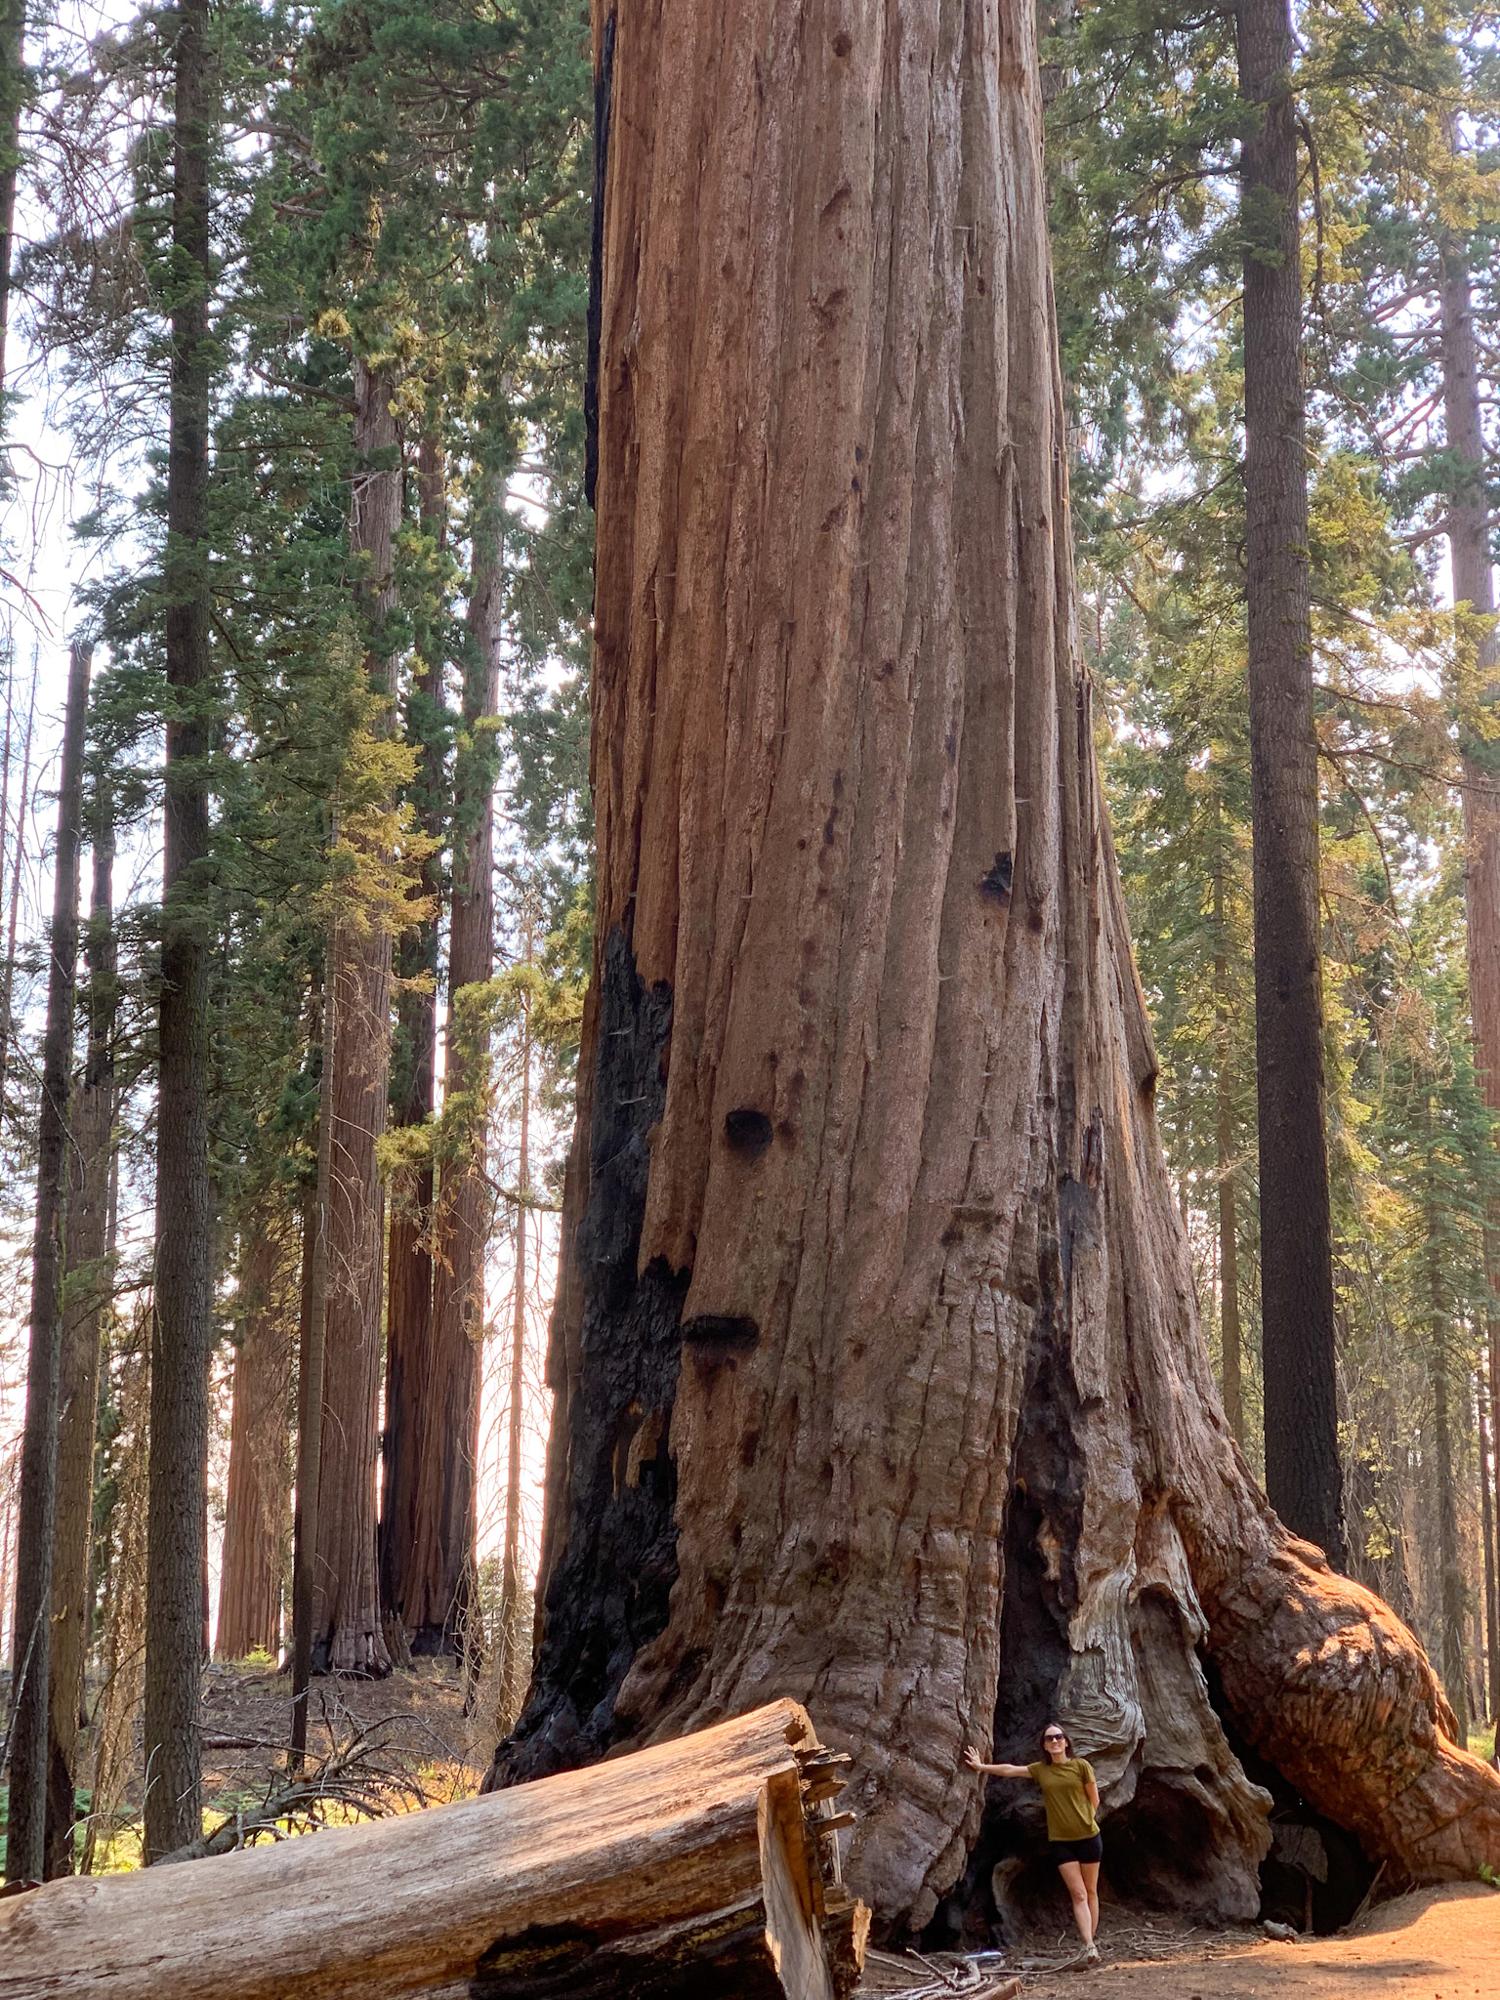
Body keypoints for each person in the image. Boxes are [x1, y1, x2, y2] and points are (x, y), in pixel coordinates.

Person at [964, 1724, 1102, 1965]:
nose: (1055, 1741)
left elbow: (1094, 1798)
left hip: (1089, 1837)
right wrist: (981, 1767)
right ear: (1045, 1746)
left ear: (1066, 1742)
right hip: (1062, 1842)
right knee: (1078, 1893)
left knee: (1090, 1892)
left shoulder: (1082, 1766)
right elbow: (1010, 1770)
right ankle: (1089, 1945)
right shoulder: (1041, 1770)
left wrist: (1084, 1820)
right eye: (1049, 1739)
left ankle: (1090, 1946)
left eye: (1059, 1737)